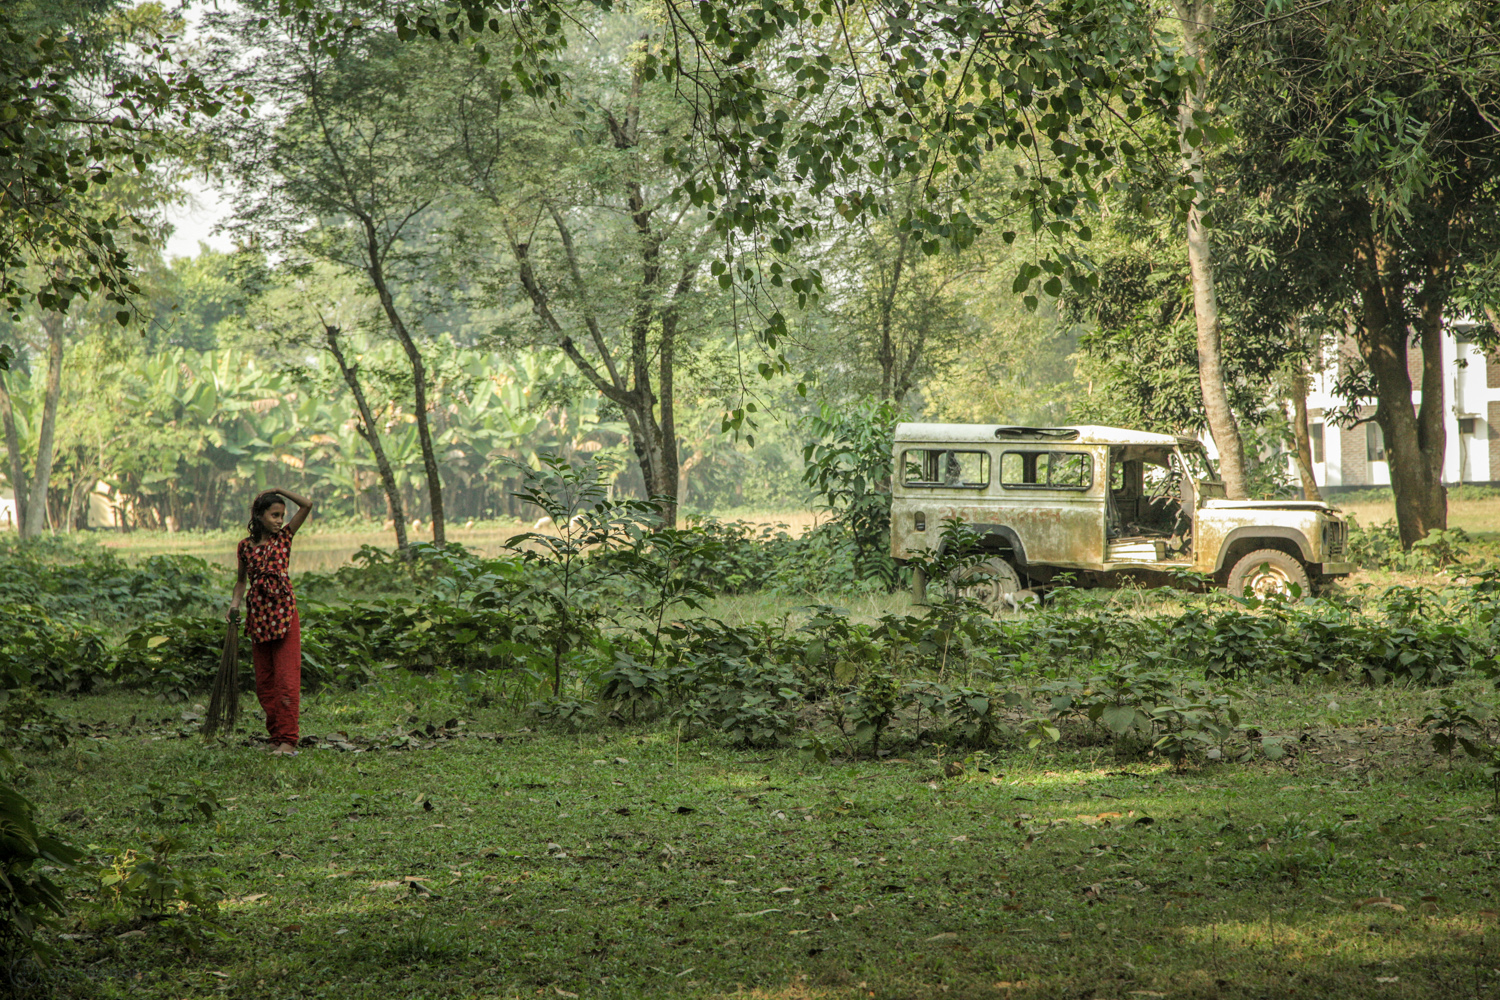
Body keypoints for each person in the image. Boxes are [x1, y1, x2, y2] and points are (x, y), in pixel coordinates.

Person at [229, 488, 315, 755]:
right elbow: (242, 581)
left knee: (286, 680)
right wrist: (234, 605)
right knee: (265, 683)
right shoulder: (245, 547)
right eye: (274, 515)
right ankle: (276, 737)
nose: (279, 520)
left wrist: (279, 491)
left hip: (284, 614)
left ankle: (288, 741)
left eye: (282, 515)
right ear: (259, 515)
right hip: (258, 617)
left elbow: (307, 505)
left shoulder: (285, 537)